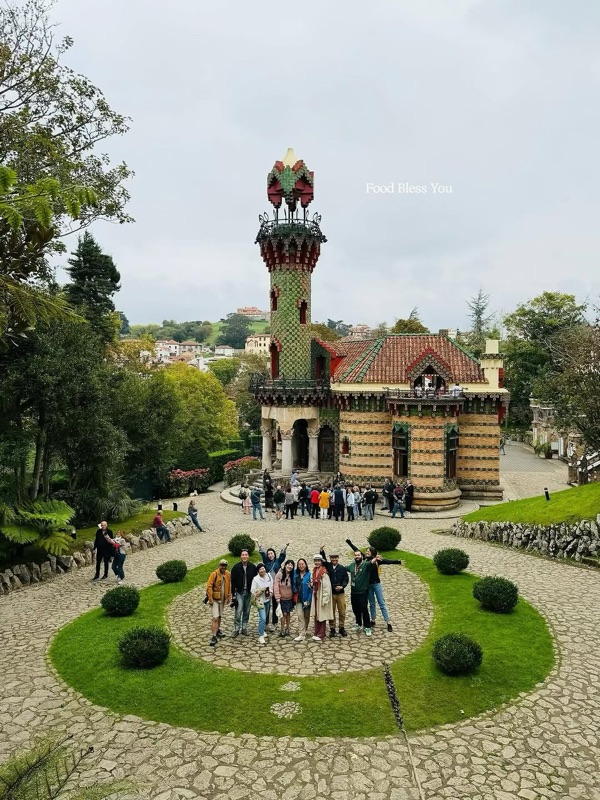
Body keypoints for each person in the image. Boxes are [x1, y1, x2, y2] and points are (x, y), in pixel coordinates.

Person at [347, 539, 402, 632]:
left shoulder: (376, 561)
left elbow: (387, 561)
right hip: (368, 586)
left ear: (372, 553)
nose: (366, 552)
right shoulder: (364, 559)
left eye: (368, 551)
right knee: (371, 603)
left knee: (381, 603)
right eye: (366, 551)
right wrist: (350, 543)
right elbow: (356, 550)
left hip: (376, 585)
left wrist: (397, 561)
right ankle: (373, 620)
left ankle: (388, 622)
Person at [255, 539, 288, 627]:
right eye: (268, 554)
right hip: (267, 586)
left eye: (271, 553)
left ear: (274, 554)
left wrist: (285, 546)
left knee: (275, 604)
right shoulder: (266, 562)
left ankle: (274, 622)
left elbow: (282, 555)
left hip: (276, 586)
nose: (270, 555)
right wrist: (258, 543)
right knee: (267, 604)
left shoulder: (278, 561)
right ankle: (265, 622)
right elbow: (262, 553)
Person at [345, 549, 377, 636]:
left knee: (364, 609)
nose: (357, 556)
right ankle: (359, 624)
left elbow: (371, 563)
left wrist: (376, 558)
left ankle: (367, 627)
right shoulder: (352, 566)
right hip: (353, 592)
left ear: (361, 556)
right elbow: (344, 568)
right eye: (355, 555)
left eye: (358, 555)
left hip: (362, 592)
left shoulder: (365, 564)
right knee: (355, 609)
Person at [319, 547, 349, 637]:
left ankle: (341, 627)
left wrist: (342, 586)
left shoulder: (342, 568)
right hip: (331, 593)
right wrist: (321, 551)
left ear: (338, 558)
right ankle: (332, 628)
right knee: (331, 611)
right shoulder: (328, 566)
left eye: (335, 558)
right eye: (332, 558)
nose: (334, 559)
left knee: (342, 611)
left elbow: (346, 579)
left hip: (340, 593)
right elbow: (323, 560)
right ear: (330, 558)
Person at [230, 549, 258, 637]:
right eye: (243, 555)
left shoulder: (253, 567)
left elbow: (256, 580)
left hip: (249, 592)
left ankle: (244, 627)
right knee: (238, 610)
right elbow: (232, 581)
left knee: (247, 610)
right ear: (240, 556)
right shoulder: (236, 567)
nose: (244, 556)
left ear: (248, 556)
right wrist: (233, 594)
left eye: (246, 555)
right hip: (239, 592)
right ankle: (236, 629)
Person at [206, 559, 232, 646]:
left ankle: (217, 630)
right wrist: (210, 599)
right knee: (215, 618)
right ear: (219, 565)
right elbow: (209, 586)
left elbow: (229, 585)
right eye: (222, 565)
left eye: (225, 565)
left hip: (223, 599)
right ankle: (213, 636)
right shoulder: (214, 574)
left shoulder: (228, 574)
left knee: (220, 616)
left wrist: (228, 596)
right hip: (215, 600)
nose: (223, 567)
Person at [309, 554, 333, 642]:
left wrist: (325, 598)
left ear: (321, 562)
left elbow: (327, 587)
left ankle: (321, 634)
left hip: (321, 596)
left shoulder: (324, 572)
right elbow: (314, 581)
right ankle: (316, 632)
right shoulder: (315, 570)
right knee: (316, 615)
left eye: (319, 561)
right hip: (316, 594)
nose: (317, 562)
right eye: (316, 561)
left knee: (322, 616)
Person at [251, 562, 273, 645]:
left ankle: (262, 630)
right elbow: (252, 591)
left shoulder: (269, 576)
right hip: (260, 601)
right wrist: (260, 590)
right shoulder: (255, 579)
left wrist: (271, 592)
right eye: (260, 569)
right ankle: (260, 635)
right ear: (258, 571)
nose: (262, 570)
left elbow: (271, 585)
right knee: (263, 618)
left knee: (266, 615)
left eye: (263, 568)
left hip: (268, 599)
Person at [273, 559, 295, 637]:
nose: (289, 566)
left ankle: (287, 628)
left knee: (288, 613)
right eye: (288, 564)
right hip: (282, 598)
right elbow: (276, 586)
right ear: (285, 565)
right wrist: (277, 597)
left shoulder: (293, 575)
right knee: (283, 614)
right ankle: (282, 629)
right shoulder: (279, 574)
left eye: (291, 565)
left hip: (290, 598)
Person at [293, 557, 312, 641]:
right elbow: (293, 584)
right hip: (298, 599)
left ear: (305, 565)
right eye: (299, 564)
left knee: (306, 616)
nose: (301, 566)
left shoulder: (309, 574)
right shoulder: (295, 574)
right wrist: (294, 589)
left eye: (302, 564)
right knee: (300, 616)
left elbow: (312, 588)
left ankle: (304, 630)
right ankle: (301, 633)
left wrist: (309, 599)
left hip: (307, 598)